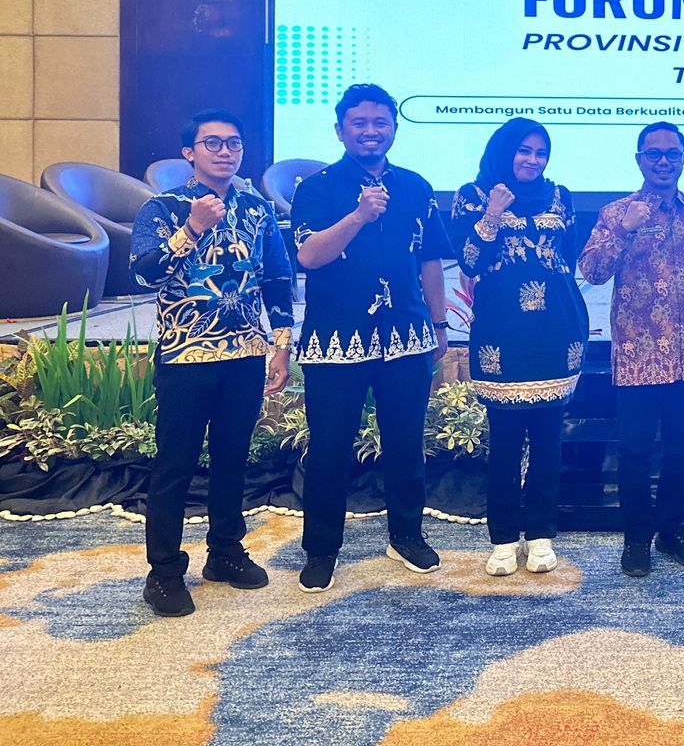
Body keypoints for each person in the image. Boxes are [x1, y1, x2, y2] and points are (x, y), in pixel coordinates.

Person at [290, 83, 453, 593]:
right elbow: (309, 256)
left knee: (405, 442)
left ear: (394, 129)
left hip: (407, 334)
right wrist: (359, 215)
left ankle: (406, 536)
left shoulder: (416, 186)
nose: (370, 131)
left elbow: (430, 260)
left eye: (380, 122)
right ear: (340, 130)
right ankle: (321, 549)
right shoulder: (316, 188)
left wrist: (440, 323)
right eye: (358, 123)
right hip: (336, 338)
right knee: (329, 448)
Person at [130, 110, 294, 617]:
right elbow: (144, 275)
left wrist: (281, 344)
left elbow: (277, 278)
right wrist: (192, 229)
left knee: (232, 458)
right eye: (213, 143)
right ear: (189, 153)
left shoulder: (257, 209)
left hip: (244, 353)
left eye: (234, 143)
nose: (225, 152)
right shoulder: (163, 207)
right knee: (175, 464)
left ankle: (225, 552)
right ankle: (163, 573)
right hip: (186, 355)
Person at [579, 121, 684, 577]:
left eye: (672, 154)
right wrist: (624, 230)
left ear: (683, 159)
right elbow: (592, 270)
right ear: (639, 160)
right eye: (654, 154)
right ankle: (637, 537)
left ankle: (674, 529)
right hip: (637, 354)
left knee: (683, 449)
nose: (663, 161)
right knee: (634, 451)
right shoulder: (616, 213)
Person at [451, 118, 588, 577]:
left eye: (540, 152)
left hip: (556, 329)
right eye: (524, 150)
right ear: (504, 150)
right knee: (506, 441)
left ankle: (542, 534)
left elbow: (568, 258)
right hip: (502, 333)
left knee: (549, 440)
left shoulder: (560, 196)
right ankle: (504, 538)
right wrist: (492, 214)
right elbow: (469, 260)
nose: (533, 160)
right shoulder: (473, 195)